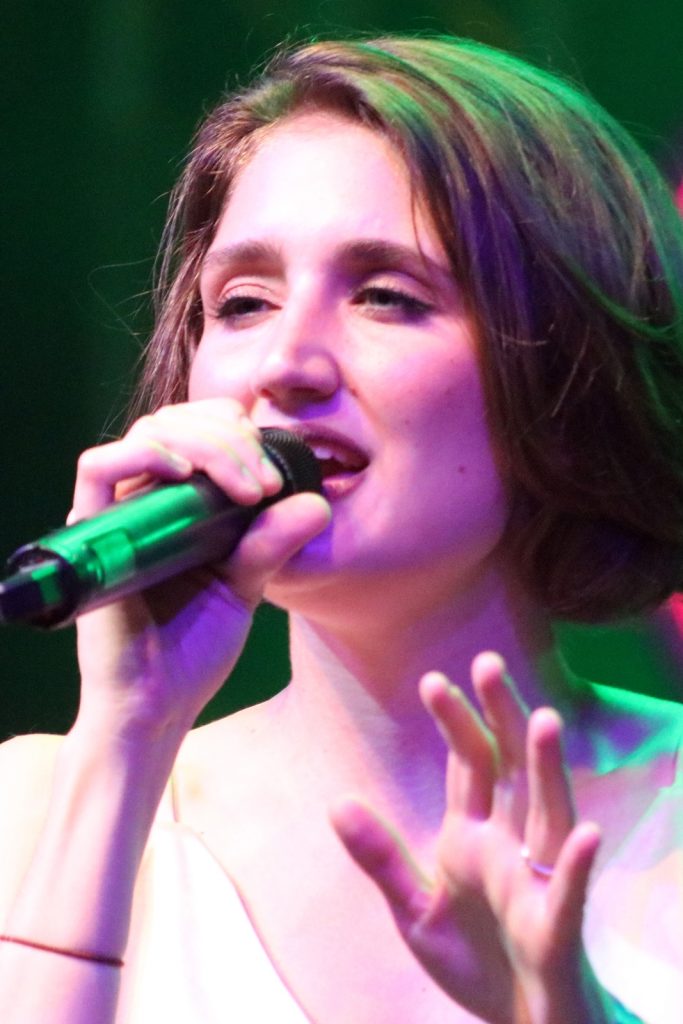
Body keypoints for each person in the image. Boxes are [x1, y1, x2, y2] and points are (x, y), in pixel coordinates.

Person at [1, 33, 682, 1024]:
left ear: (562, 369)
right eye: (243, 303)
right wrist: (125, 737)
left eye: (384, 297)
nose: (287, 363)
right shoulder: (38, 813)